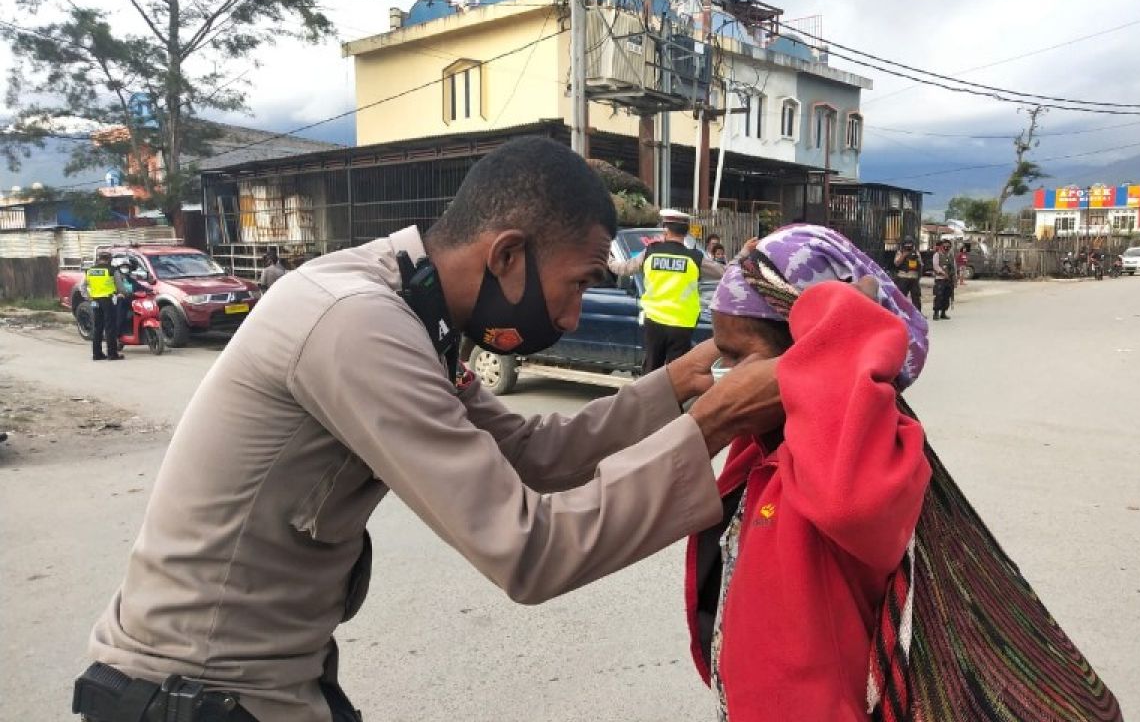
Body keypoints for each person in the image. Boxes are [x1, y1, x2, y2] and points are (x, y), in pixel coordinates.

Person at [77, 137, 784, 722]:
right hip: (196, 692)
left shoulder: (415, 311)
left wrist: (677, 387)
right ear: (507, 255)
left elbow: (529, 453)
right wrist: (715, 422)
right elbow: (530, 551)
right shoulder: (360, 322)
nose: (571, 317)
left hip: (270, 681)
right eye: (576, 283)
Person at [684, 224, 930, 722]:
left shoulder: (858, 455)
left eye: (733, 358)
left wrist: (841, 331)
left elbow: (848, 505)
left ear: (811, 352)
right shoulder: (761, 444)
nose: (720, 375)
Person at [608, 209, 750, 374]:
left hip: (655, 321)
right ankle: (672, 399)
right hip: (682, 324)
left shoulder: (650, 252)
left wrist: (607, 258)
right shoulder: (695, 258)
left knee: (651, 371)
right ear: (686, 232)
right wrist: (744, 251)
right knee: (676, 373)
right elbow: (727, 271)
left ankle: (650, 398)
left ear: (666, 230)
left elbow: (623, 269)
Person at [84, 251, 122, 361]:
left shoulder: (90, 270)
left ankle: (97, 354)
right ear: (109, 259)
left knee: (97, 327)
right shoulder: (112, 270)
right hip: (108, 300)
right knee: (110, 327)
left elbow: (83, 286)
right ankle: (112, 354)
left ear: (99, 259)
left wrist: (88, 297)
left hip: (95, 301)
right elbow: (119, 285)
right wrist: (123, 293)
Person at [891, 238, 922, 314]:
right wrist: (904, 255)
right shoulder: (900, 252)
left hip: (914, 277)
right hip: (903, 277)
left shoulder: (916, 253)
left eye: (910, 245)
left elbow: (920, 264)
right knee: (902, 296)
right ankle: (900, 312)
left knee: (916, 297)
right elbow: (896, 263)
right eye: (907, 245)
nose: (908, 247)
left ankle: (918, 314)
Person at [931, 240, 953, 320]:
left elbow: (953, 267)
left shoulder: (950, 255)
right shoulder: (937, 255)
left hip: (949, 280)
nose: (946, 248)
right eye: (945, 246)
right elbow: (936, 266)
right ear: (941, 246)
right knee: (939, 296)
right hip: (940, 279)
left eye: (948, 246)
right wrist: (943, 273)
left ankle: (943, 313)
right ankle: (936, 313)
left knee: (947, 296)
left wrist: (954, 278)